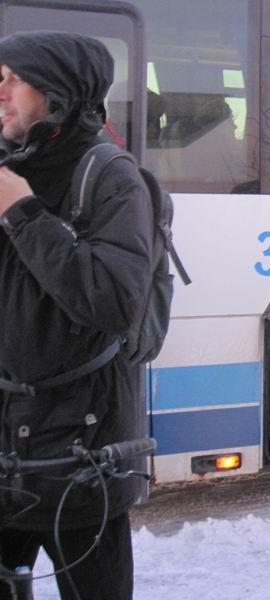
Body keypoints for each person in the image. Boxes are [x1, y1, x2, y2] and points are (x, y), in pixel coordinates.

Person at [0, 32, 153, 599]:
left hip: (79, 460)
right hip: (7, 453)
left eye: (15, 76)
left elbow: (114, 302)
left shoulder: (109, 175)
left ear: (56, 91)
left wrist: (22, 212)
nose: (1, 89)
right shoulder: (7, 163)